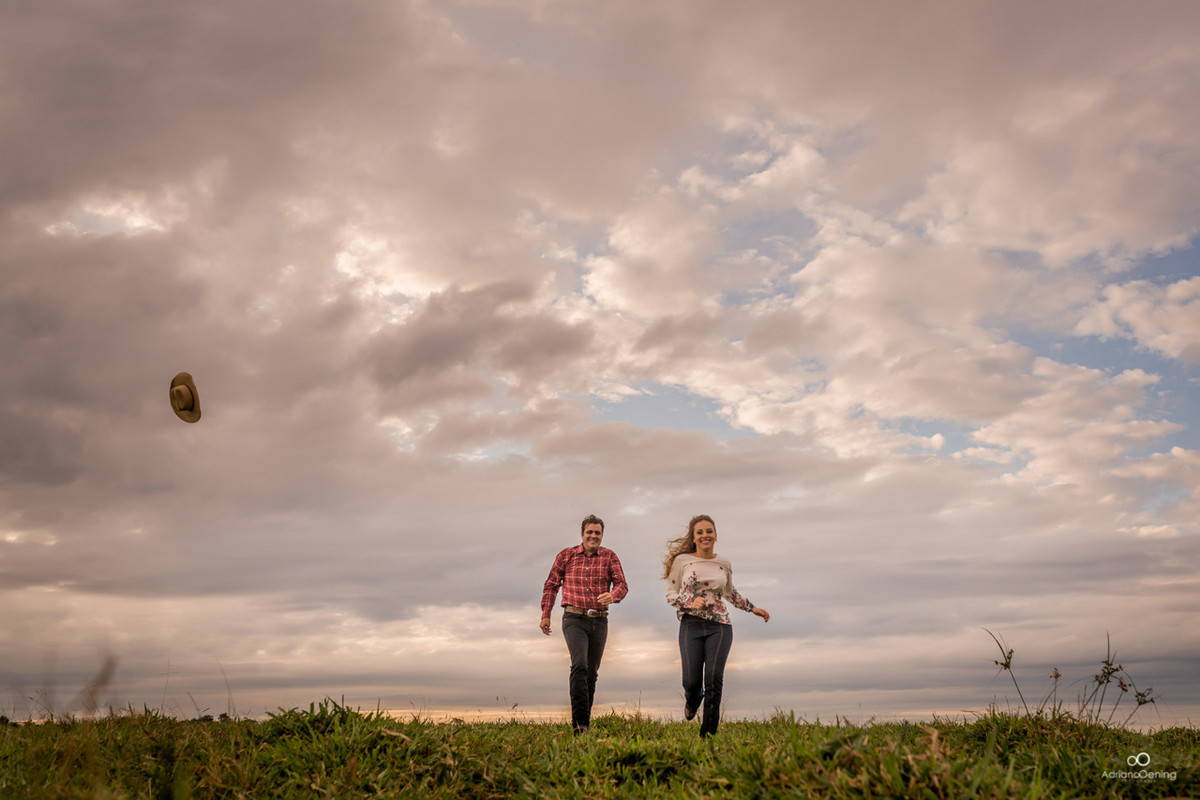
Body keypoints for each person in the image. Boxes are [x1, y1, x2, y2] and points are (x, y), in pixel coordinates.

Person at [663, 514, 769, 738]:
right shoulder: (682, 561)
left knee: (713, 678)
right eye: (700, 532)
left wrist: (753, 608)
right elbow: (670, 594)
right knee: (691, 681)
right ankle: (693, 701)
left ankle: (708, 735)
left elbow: (730, 593)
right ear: (693, 537)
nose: (705, 536)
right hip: (690, 625)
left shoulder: (724, 564)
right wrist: (690, 602)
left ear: (715, 535)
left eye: (708, 531)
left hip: (719, 626)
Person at [540, 514, 629, 734]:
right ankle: (580, 725)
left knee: (591, 673)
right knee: (579, 665)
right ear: (582, 534)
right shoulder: (566, 555)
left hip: (599, 621)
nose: (593, 536)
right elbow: (551, 585)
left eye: (597, 533)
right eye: (589, 532)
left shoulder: (609, 557)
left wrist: (613, 595)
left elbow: (622, 584)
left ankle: (584, 721)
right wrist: (546, 614)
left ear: (602, 535)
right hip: (574, 618)